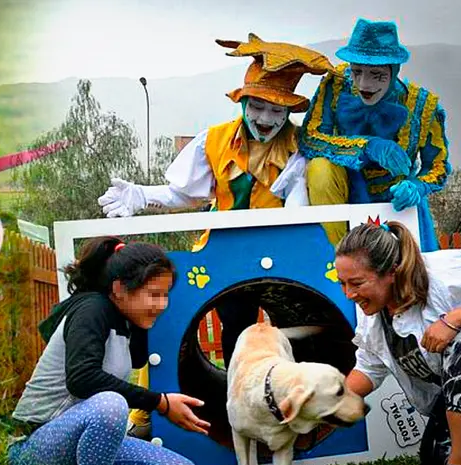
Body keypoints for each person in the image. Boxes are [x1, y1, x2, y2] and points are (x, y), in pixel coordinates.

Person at [96, 35, 333, 378]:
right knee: (231, 325)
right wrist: (142, 195)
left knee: (294, 326)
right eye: (258, 106)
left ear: (287, 113)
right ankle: (232, 391)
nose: (266, 117)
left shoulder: (300, 147)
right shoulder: (215, 140)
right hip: (224, 250)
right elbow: (186, 195)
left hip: (280, 250)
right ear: (243, 103)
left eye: (276, 110)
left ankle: (289, 394)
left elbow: (298, 208)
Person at [7, 237, 209, 465]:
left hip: (84, 444)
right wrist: (162, 403)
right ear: (118, 289)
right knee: (110, 404)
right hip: (36, 445)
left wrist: (142, 319)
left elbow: (139, 358)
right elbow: (82, 378)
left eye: (165, 295)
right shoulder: (92, 310)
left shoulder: (126, 323)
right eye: (153, 294)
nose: (162, 304)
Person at [335, 219, 461, 465]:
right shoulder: (375, 319)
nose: (348, 294)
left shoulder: (446, 273)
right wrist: (323, 403)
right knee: (435, 456)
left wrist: (456, 318)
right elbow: (368, 369)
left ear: (391, 272)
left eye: (356, 283)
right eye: (343, 283)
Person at [300, 19, 450, 252]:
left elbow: (437, 167)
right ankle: (339, 255)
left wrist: (416, 187)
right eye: (357, 71)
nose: (363, 83)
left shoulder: (423, 106)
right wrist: (366, 146)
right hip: (343, 194)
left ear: (394, 70)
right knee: (319, 168)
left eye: (376, 74)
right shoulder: (336, 84)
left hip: (397, 206)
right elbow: (309, 138)